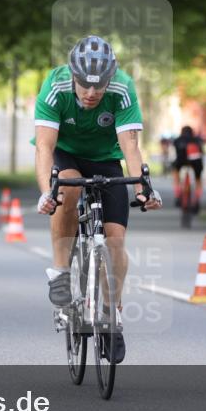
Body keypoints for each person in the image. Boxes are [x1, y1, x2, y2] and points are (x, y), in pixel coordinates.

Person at [34, 35, 162, 363]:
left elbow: (131, 146)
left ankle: (110, 316)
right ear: (73, 76)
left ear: (110, 79)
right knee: (69, 185)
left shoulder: (123, 88)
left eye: (99, 86)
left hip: (106, 158)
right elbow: (44, 147)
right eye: (85, 85)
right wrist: (48, 193)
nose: (92, 93)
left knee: (115, 241)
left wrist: (143, 191)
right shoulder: (55, 85)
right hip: (65, 155)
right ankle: (61, 275)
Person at [172, 125, 205, 212]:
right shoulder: (197, 140)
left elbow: (175, 152)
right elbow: (202, 152)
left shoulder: (177, 140)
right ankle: (197, 199)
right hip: (196, 163)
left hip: (181, 162)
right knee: (198, 179)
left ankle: (178, 193)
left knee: (175, 173)